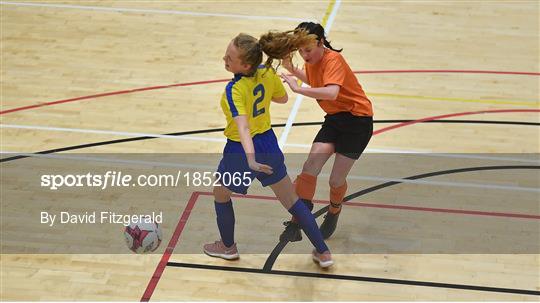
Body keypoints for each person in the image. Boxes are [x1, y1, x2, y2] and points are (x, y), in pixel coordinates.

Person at [203, 32, 333, 268]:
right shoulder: (266, 72)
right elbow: (282, 98)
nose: (225, 59)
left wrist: (250, 160)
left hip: (241, 151)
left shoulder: (234, 89)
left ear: (245, 65)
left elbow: (243, 127)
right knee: (291, 200)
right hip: (268, 143)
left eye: (230, 58)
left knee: (221, 195)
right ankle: (323, 252)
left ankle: (227, 247)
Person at [279, 22, 374, 241]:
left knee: (335, 181)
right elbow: (313, 79)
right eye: (300, 51)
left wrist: (297, 89)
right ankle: (296, 223)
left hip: (357, 123)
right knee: (310, 166)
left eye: (308, 50)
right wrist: (290, 68)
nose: (304, 55)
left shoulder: (334, 60)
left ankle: (334, 211)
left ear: (321, 43)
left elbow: (331, 92)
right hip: (335, 120)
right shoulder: (312, 59)